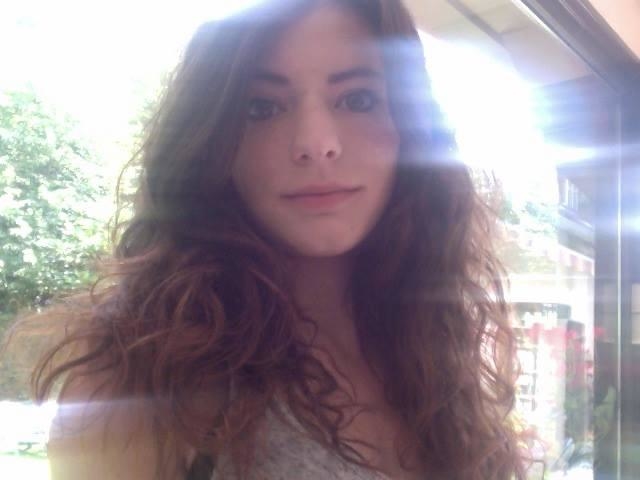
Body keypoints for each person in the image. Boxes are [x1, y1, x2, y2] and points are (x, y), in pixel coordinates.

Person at [32, 0, 529, 478]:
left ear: (409, 125)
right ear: (213, 141)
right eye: (262, 107)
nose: (316, 144)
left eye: (357, 99)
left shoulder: (435, 344)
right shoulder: (139, 374)